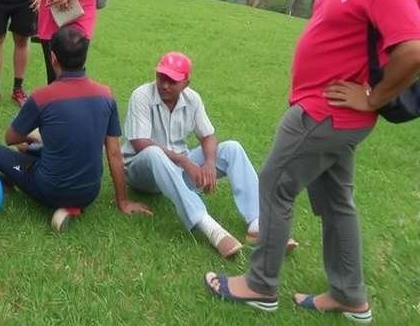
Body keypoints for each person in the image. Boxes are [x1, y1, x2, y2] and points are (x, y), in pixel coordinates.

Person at [204, 0, 420, 323]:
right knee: (336, 202)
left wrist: (373, 97)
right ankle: (349, 294)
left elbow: (413, 51)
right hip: (329, 113)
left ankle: (260, 285)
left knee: (274, 183)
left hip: (326, 114)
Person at [122, 52, 297, 257]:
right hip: (142, 172)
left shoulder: (192, 99)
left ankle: (258, 224)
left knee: (232, 148)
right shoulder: (141, 95)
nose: (164, 85)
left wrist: (210, 163)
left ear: (186, 83)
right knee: (153, 153)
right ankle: (209, 227)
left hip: (178, 168)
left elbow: (208, 136)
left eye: (172, 81)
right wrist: (184, 161)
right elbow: (140, 143)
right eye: (161, 77)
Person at [0, 26, 151, 231]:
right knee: (38, 149)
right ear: (84, 57)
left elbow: (10, 138)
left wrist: (30, 136)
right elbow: (114, 153)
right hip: (90, 192)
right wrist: (123, 202)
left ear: (53, 57)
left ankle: (17, 187)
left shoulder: (42, 97)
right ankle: (72, 208)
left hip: (51, 189)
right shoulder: (106, 94)